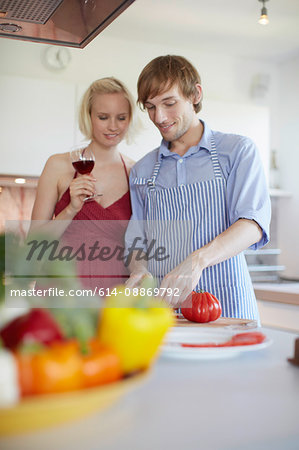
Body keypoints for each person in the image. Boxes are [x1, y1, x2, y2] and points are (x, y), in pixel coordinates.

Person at [125, 55, 271, 321]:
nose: (159, 117)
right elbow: (137, 241)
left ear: (195, 94)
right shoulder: (143, 170)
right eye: (150, 107)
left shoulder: (237, 151)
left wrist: (198, 260)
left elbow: (253, 225)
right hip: (165, 314)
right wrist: (139, 270)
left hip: (228, 306)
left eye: (169, 103)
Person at [30, 77, 135, 291]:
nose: (113, 126)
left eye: (121, 117)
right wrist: (71, 210)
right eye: (103, 117)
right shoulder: (58, 165)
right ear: (88, 117)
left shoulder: (136, 172)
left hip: (114, 296)